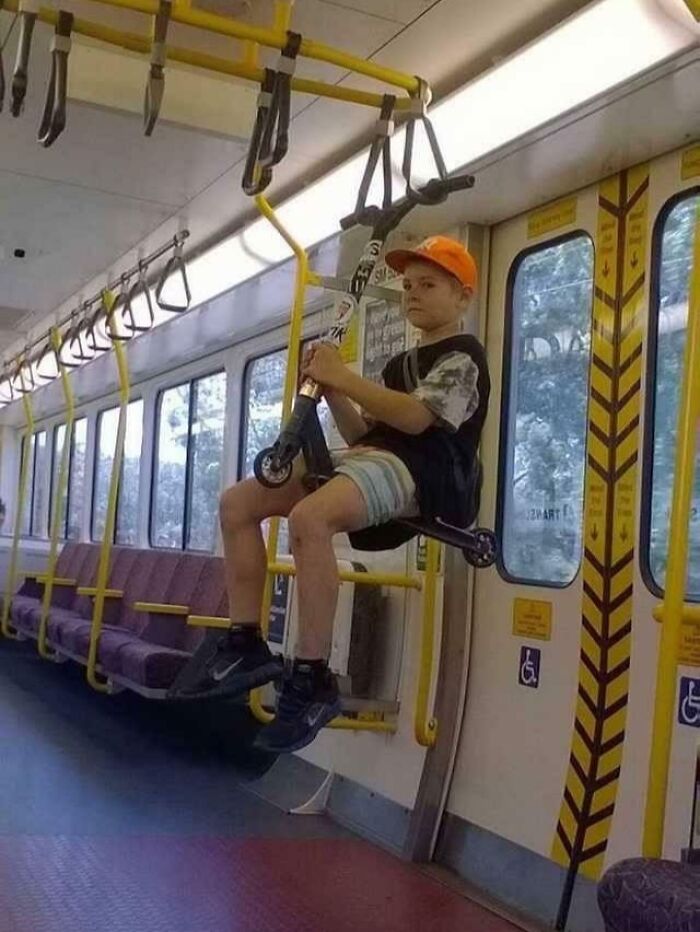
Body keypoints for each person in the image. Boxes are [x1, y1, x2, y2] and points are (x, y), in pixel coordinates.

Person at [168, 235, 490, 754]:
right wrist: (336, 390)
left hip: (423, 473)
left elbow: (413, 419)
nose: (412, 294)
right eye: (407, 286)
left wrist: (343, 375)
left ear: (463, 297)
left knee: (310, 519)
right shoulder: (397, 367)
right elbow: (365, 433)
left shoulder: (463, 357)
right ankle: (246, 639)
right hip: (373, 457)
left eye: (428, 285)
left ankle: (313, 674)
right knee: (237, 503)